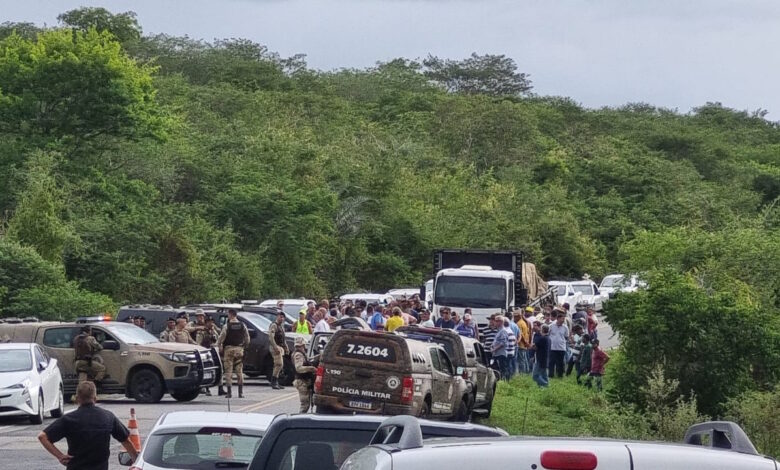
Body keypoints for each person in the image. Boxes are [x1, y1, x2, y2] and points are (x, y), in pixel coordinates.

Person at [38, 381, 138, 470]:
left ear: (77, 399)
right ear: (95, 398)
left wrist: (60, 456)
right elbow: (126, 441)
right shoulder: (108, 417)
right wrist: (136, 462)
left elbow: (42, 437)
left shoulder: (68, 419)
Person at [216, 309, 250, 398]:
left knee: (228, 371)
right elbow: (247, 338)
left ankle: (229, 392)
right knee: (239, 371)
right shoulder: (243, 325)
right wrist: (244, 346)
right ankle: (240, 393)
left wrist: (219, 345)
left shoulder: (227, 326)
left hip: (229, 350)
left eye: (228, 315)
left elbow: (221, 337)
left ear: (231, 315)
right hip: (239, 350)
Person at [292, 336, 317, 413]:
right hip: (301, 382)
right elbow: (299, 368)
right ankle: (299, 420)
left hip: (303, 381)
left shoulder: (301, 354)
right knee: (305, 405)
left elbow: (308, 360)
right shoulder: (298, 355)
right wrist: (311, 368)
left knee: (306, 404)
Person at [268, 311, 289, 390]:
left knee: (280, 365)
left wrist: (286, 347)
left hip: (280, 347)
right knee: (279, 364)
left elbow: (283, 338)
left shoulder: (281, 326)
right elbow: (271, 337)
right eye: (280, 317)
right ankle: (274, 382)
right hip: (275, 347)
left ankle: (276, 381)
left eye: (283, 317)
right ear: (277, 317)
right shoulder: (274, 325)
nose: (282, 318)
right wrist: (275, 347)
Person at [548, 312, 569, 378]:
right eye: (562, 319)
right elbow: (548, 334)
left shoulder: (565, 327)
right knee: (551, 362)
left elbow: (566, 336)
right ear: (558, 318)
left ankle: (560, 375)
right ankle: (551, 375)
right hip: (552, 347)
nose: (563, 320)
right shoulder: (551, 326)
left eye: (564, 319)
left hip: (561, 347)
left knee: (560, 363)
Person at [490, 315, 510, 380]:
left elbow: (503, 343)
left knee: (502, 369)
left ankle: (504, 381)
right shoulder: (499, 331)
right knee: (496, 368)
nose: (494, 322)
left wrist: (494, 349)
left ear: (501, 322)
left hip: (501, 354)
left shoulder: (503, 331)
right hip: (497, 353)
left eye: (496, 321)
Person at [514, 309, 530, 374]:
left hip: (521, 344)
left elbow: (521, 335)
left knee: (521, 361)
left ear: (519, 316)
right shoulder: (523, 322)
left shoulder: (519, 323)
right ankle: (526, 372)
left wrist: (525, 342)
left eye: (515, 316)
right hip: (524, 344)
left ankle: (522, 373)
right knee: (524, 359)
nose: (514, 318)